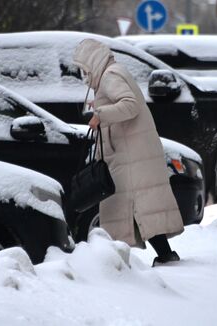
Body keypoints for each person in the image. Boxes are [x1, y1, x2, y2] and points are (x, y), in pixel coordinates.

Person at [73, 39, 184, 266]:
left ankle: (147, 259)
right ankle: (161, 256)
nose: (84, 74)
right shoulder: (111, 74)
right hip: (128, 152)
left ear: (93, 62)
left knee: (136, 207)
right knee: (136, 209)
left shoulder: (110, 76)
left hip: (130, 154)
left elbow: (129, 105)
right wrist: (101, 104)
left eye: (85, 68)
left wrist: (101, 114)